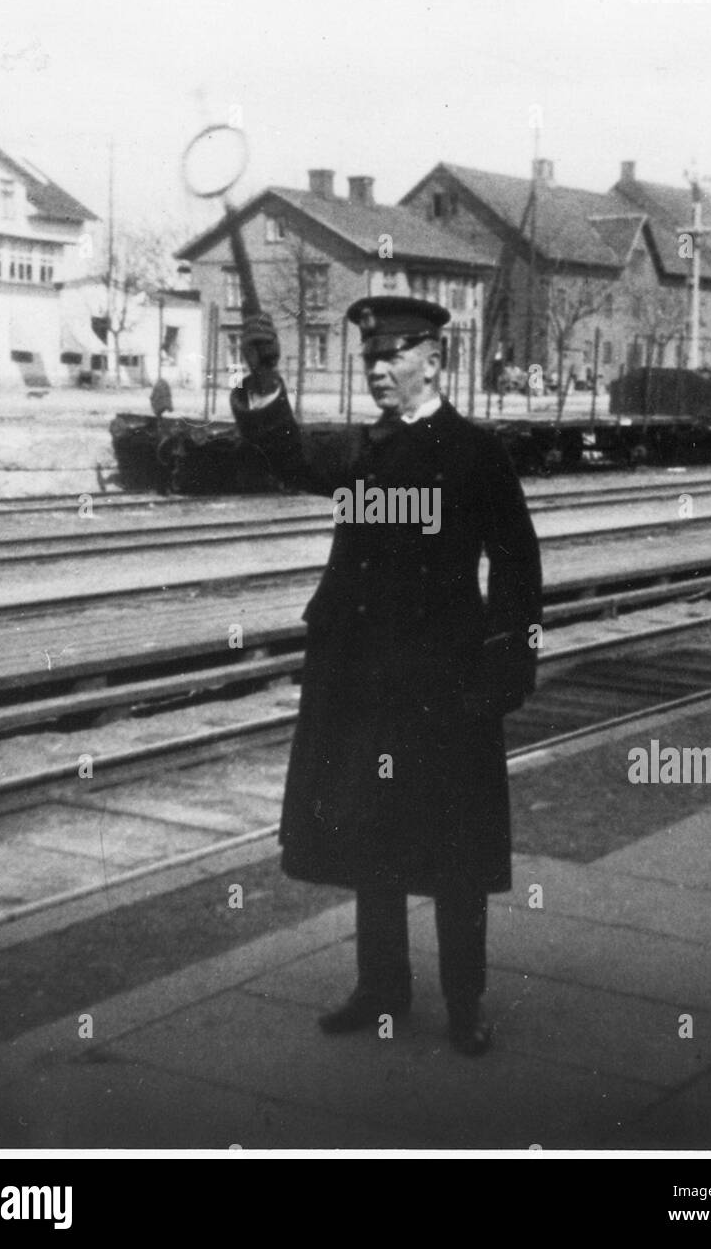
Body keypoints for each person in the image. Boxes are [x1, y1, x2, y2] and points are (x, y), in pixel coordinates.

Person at [231, 297, 543, 1056]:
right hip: (363, 675)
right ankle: (382, 988)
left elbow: (516, 559)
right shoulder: (363, 449)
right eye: (369, 358)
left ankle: (463, 1001)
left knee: (454, 846)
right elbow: (291, 460)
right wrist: (264, 380)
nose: (376, 369)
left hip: (445, 679)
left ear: (433, 359)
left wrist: (507, 664)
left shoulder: (476, 451)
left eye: (391, 357)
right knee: (375, 832)